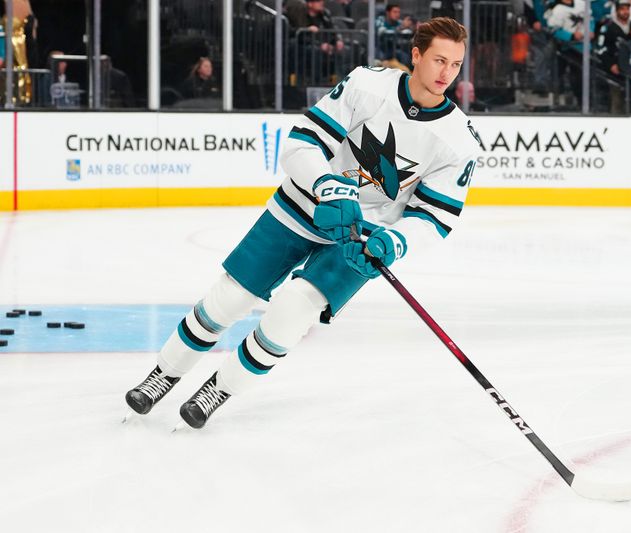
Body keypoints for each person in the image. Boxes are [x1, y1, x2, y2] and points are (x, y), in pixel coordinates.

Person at [123, 17, 481, 430]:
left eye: (455, 64)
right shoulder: (367, 84)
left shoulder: (459, 140)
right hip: (301, 205)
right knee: (231, 297)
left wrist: (395, 242)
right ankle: (163, 374)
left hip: (359, 239)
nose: (446, 74)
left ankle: (220, 388)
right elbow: (302, 143)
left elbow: (434, 217)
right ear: (416, 55)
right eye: (439, 60)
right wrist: (326, 184)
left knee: (292, 312)